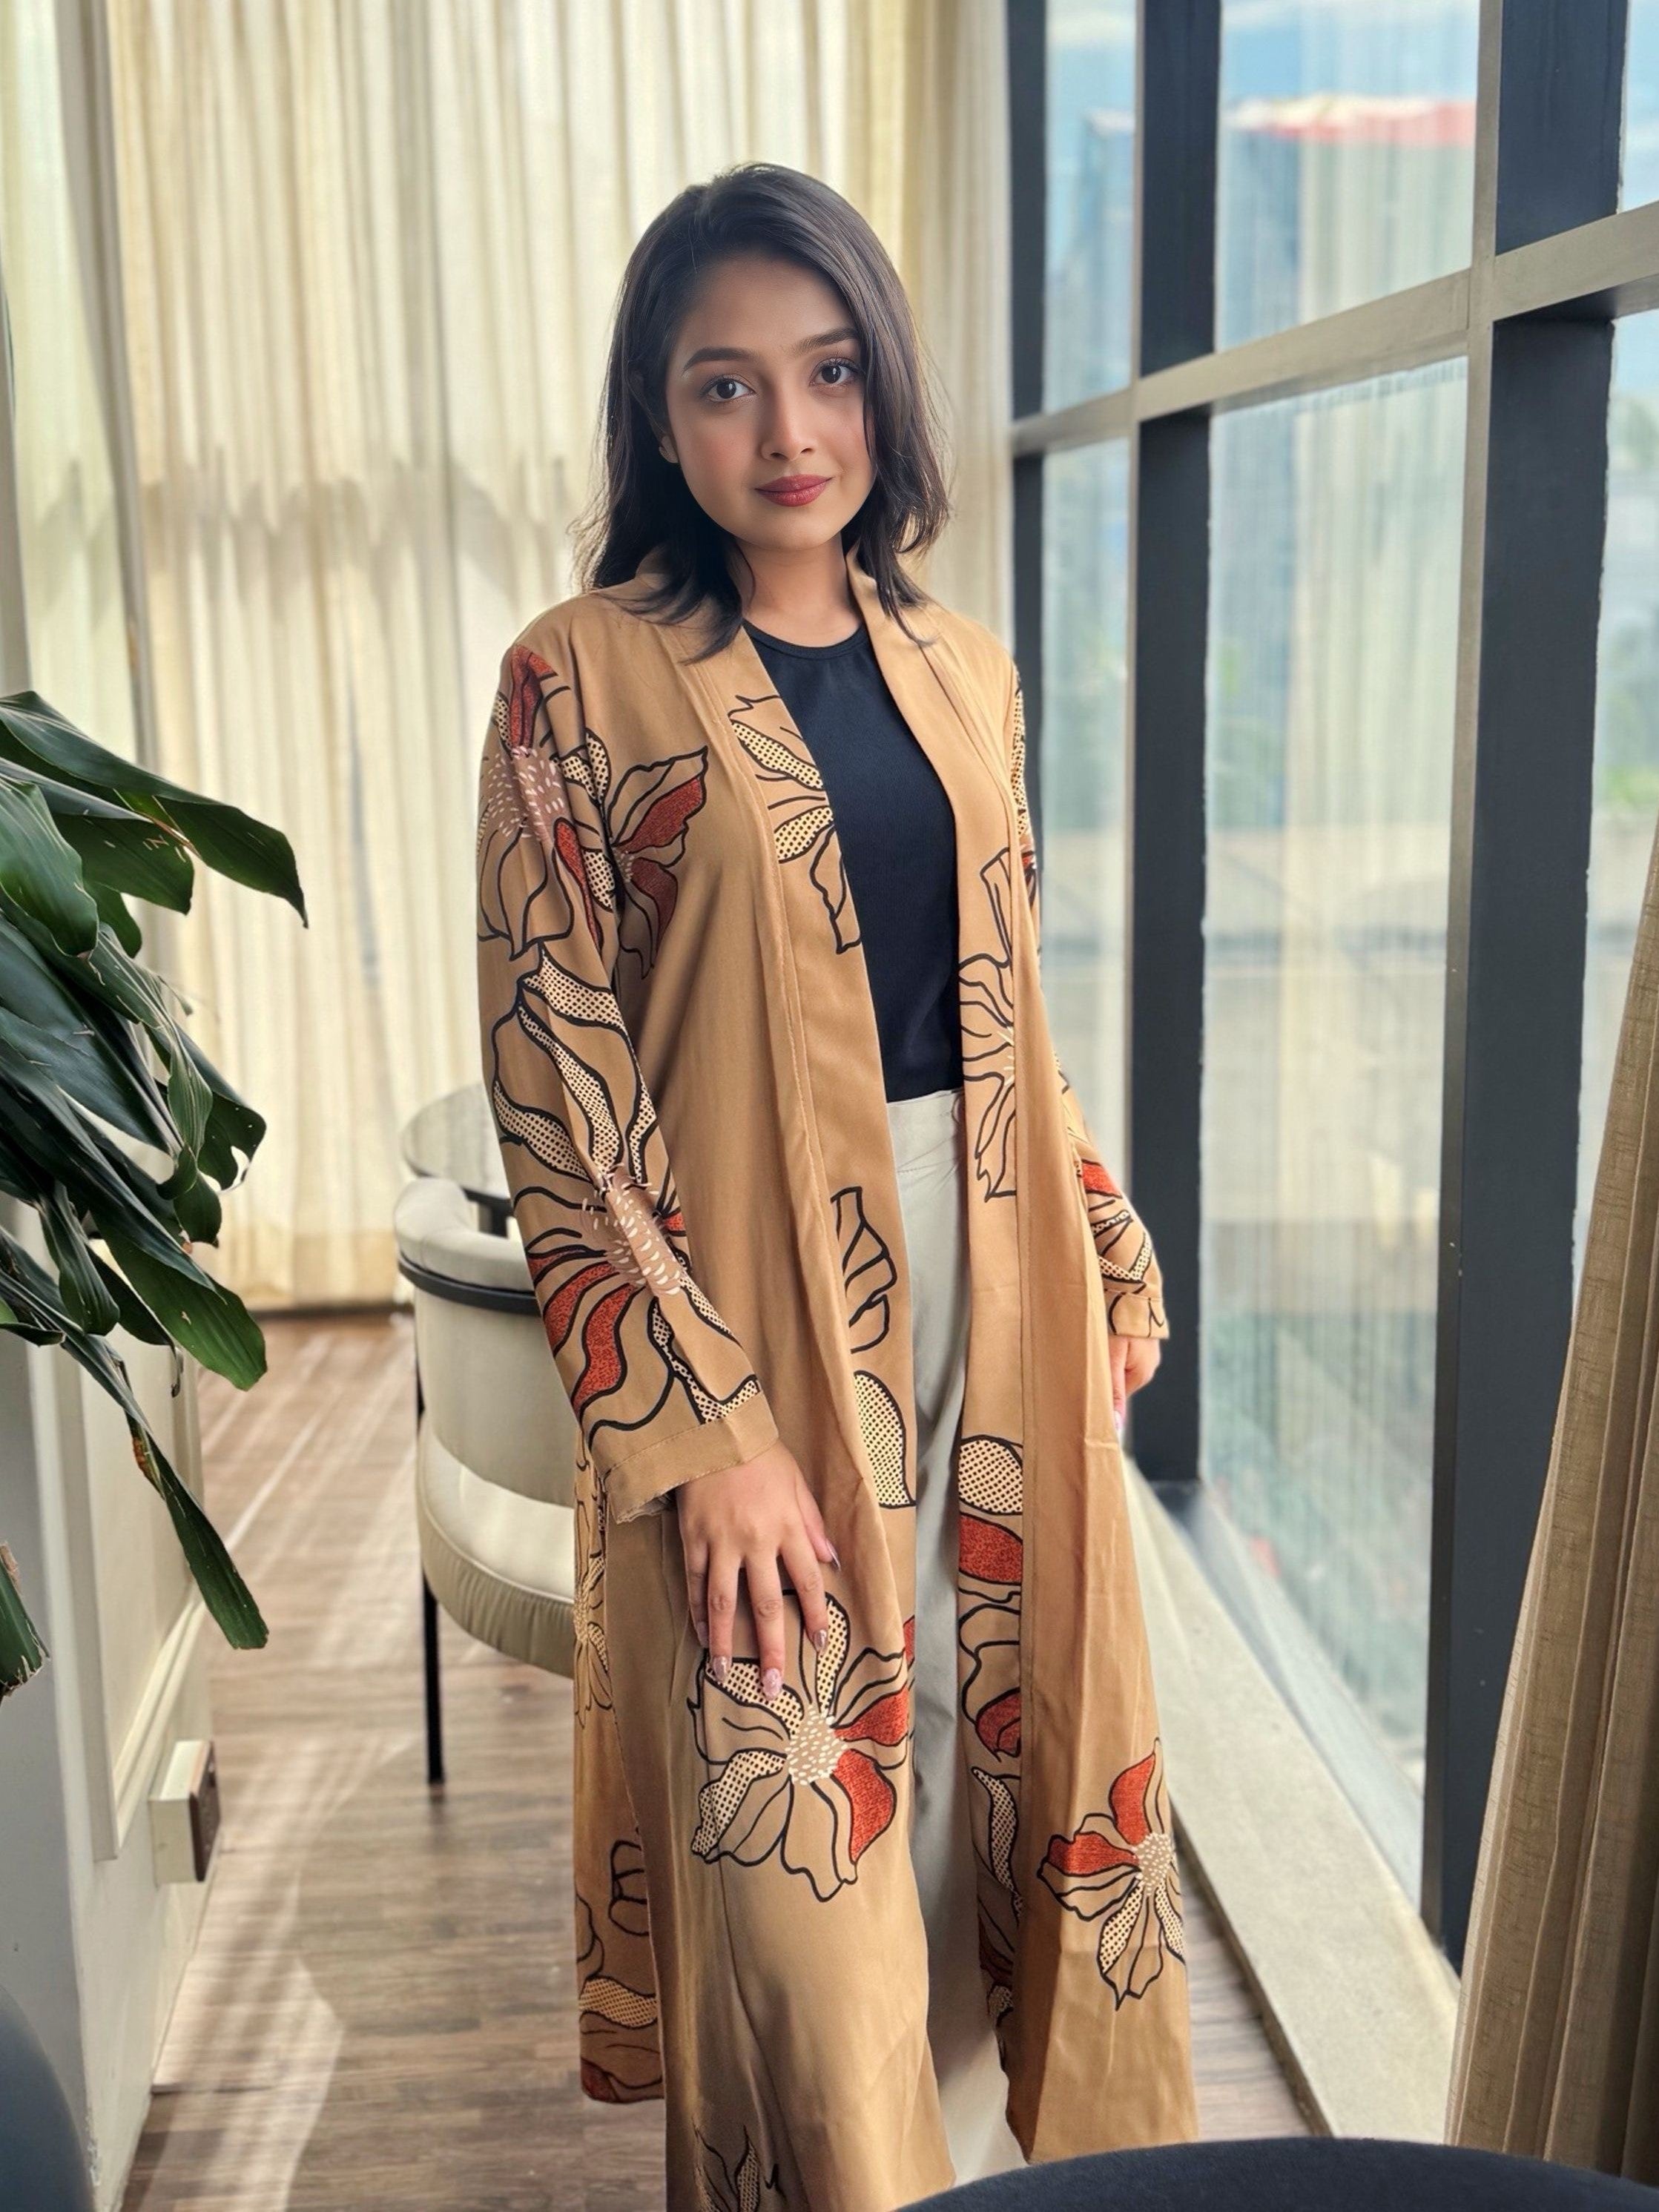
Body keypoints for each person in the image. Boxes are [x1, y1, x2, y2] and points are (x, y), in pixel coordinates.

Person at [475, 159, 1198, 2212]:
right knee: (799, 1874)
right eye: (723, 387)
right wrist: (706, 1440)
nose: (786, 435)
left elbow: (1005, 1005)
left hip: (997, 1290)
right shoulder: (576, 681)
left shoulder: (965, 671)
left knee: (1000, 1806)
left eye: (825, 374)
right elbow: (559, 1088)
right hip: (739, 1322)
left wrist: (1102, 1233)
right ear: (657, 414)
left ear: (882, 388)